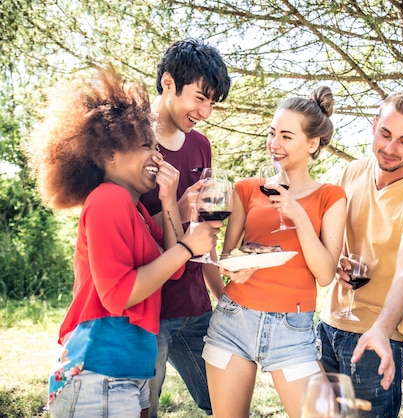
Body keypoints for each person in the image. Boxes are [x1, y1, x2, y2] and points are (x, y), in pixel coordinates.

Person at [32, 67, 222, 417]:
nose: (158, 156)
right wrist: (187, 248)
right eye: (146, 146)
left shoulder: (132, 209)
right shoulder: (108, 200)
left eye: (156, 146)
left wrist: (169, 200)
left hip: (127, 373)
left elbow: (173, 272)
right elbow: (118, 294)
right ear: (109, 155)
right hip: (97, 373)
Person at [202, 86, 347, 417]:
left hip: (292, 331)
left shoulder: (331, 196)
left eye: (286, 136)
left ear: (312, 144)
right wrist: (232, 268)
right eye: (271, 134)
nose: (274, 144)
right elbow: (228, 256)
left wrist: (297, 214)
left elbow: (325, 274)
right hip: (234, 320)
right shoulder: (248, 189)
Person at [318, 91, 403, 417]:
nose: (390, 148)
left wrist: (382, 329)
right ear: (374, 126)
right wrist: (336, 262)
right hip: (327, 328)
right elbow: (327, 237)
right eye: (385, 134)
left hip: (377, 340)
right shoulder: (351, 173)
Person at [139, 38, 231, 418]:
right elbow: (125, 234)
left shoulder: (200, 145)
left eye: (212, 103)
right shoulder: (130, 142)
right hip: (148, 309)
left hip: (195, 306)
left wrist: (221, 294)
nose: (205, 112)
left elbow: (204, 234)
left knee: (223, 400)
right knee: (144, 408)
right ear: (167, 83)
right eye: (200, 98)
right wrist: (177, 205)